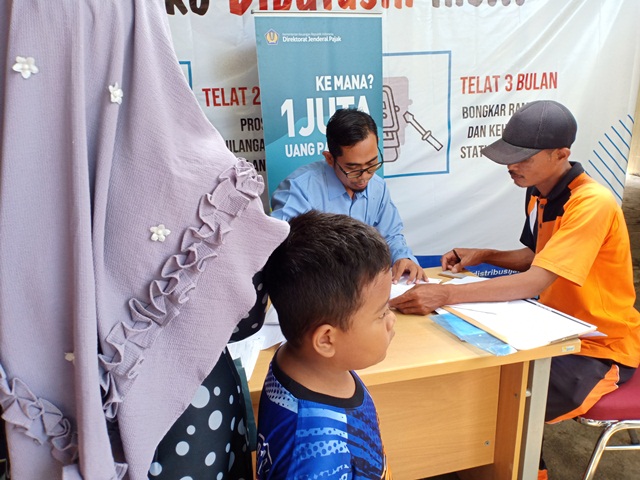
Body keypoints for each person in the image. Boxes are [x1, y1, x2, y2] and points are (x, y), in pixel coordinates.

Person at [0, 1, 288, 479]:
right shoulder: (200, 183)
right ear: (148, 46)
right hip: (187, 430)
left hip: (31, 441)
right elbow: (246, 319)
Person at [389, 99, 640, 479]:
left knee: (510, 397)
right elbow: (538, 256)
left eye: (523, 158)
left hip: (598, 348)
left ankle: (522, 469)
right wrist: (484, 254)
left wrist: (444, 294)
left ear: (561, 155)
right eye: (509, 155)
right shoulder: (539, 191)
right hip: (552, 328)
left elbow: (536, 279)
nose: (511, 165)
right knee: (483, 377)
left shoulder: (593, 204)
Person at [257, 211, 395, 479]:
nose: (391, 320)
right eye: (381, 313)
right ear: (326, 340)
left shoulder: (308, 361)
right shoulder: (315, 458)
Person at [270, 108, 425, 284]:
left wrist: (402, 257)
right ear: (330, 159)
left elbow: (390, 235)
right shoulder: (298, 190)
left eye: (372, 164)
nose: (364, 177)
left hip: (365, 287)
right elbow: (282, 252)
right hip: (317, 289)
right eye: (353, 168)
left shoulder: (378, 187)